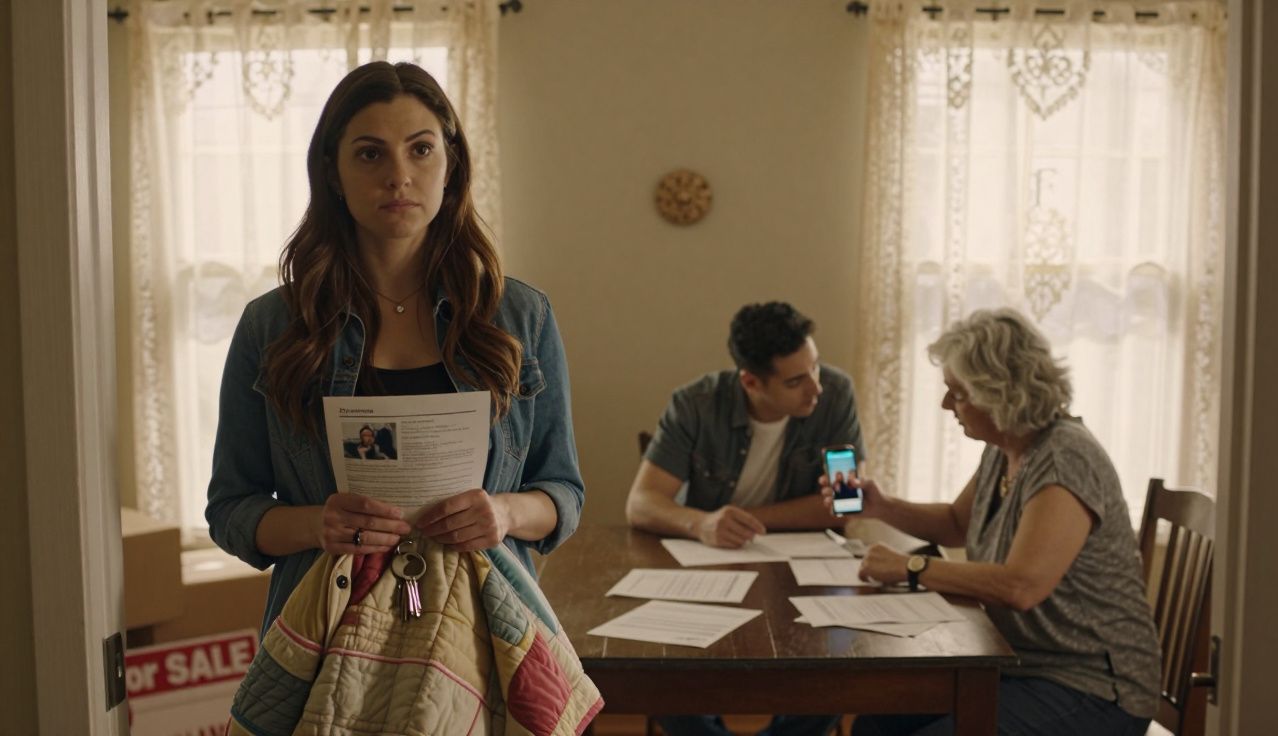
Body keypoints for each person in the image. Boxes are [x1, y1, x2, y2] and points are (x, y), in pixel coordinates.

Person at [206, 61, 584, 639]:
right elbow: (231, 511)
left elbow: (563, 493)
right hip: (328, 635)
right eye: (370, 154)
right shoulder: (272, 325)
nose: (398, 176)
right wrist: (318, 524)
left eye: (421, 150)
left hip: (485, 631)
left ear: (450, 166)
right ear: (333, 172)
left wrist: (504, 513)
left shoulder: (521, 316)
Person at [823, 308, 1159, 736]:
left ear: (1000, 393)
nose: (947, 405)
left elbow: (1022, 586)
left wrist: (911, 568)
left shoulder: (1065, 456)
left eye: (958, 393)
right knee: (875, 724)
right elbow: (955, 523)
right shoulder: (1004, 447)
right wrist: (881, 505)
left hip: (1093, 686)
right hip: (1018, 664)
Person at [626, 300, 863, 736]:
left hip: (804, 573)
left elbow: (845, 505)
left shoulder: (837, 394)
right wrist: (701, 524)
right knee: (661, 672)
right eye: (796, 381)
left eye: (815, 367)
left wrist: (745, 518)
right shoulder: (695, 404)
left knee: (836, 668)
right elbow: (640, 503)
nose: (816, 389)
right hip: (708, 570)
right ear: (751, 381)